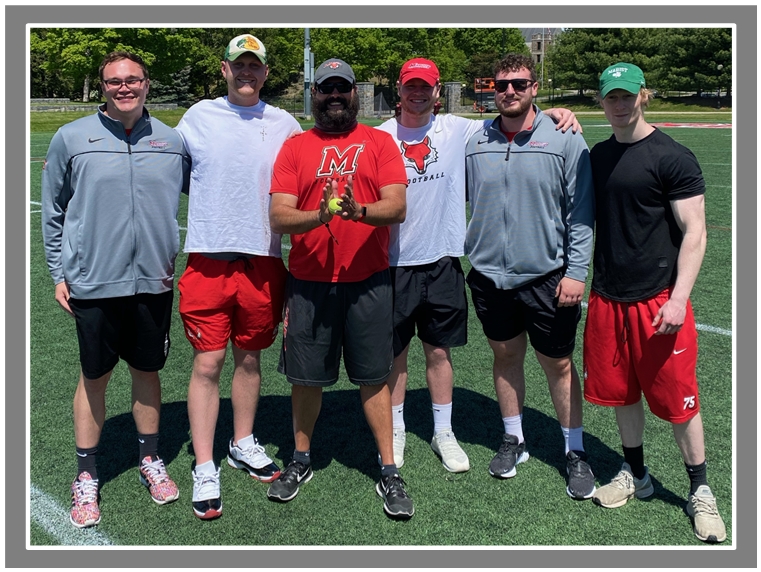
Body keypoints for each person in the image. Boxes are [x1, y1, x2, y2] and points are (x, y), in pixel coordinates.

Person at [377, 58, 581, 473]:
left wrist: (557, 113)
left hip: (443, 260)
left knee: (439, 352)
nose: (418, 93)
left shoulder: (461, 130)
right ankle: (396, 429)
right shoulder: (378, 136)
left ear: (437, 93)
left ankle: (444, 431)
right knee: (395, 355)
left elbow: (519, 116)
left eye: (426, 87)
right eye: (410, 86)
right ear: (399, 90)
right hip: (391, 262)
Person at [41, 51, 190, 528]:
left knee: (147, 371)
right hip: (93, 282)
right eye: (113, 81)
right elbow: (54, 211)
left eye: (132, 80)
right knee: (95, 376)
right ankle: (86, 473)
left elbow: (208, 194)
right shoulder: (71, 138)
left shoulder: (172, 141)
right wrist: (59, 273)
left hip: (153, 281)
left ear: (147, 83)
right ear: (103, 87)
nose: (123, 87)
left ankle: (150, 459)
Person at [584, 62, 726, 543]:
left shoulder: (672, 156)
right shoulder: (598, 156)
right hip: (607, 297)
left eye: (627, 95)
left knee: (681, 402)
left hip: (658, 302)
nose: (620, 104)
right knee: (622, 394)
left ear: (644, 96)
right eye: (611, 97)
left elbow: (696, 232)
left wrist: (679, 299)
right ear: (602, 101)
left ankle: (700, 491)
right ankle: (637, 475)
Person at [267, 58, 413, 519]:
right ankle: (301, 459)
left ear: (354, 94)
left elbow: (397, 206)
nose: (334, 96)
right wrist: (322, 217)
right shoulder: (295, 148)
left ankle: (389, 469)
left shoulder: (379, 141)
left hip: (368, 281)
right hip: (309, 284)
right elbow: (279, 216)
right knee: (306, 378)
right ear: (315, 94)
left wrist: (358, 212)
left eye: (342, 89)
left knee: (374, 377)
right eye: (326, 88)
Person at [174, 34, 302, 520]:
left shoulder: (284, 122)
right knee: (207, 365)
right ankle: (204, 464)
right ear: (224, 70)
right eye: (238, 65)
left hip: (264, 260)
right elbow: (170, 165)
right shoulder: (197, 118)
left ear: (265, 73)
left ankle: (242, 440)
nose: (247, 73)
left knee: (250, 361)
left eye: (255, 67)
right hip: (208, 258)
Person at [464, 53, 596, 499]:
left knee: (558, 364)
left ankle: (574, 449)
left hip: (548, 276)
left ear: (535, 87)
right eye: (501, 85)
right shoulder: (477, 138)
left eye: (519, 84)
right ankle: (514, 438)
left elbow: (581, 213)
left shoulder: (564, 137)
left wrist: (576, 271)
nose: (509, 92)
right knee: (505, 357)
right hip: (488, 275)